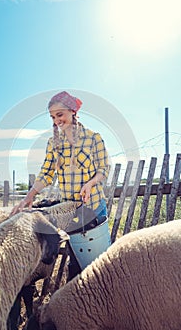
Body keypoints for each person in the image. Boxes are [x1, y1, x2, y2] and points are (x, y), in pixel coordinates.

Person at [11, 91, 111, 278]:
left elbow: (104, 169)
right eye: (53, 117)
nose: (57, 120)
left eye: (60, 114)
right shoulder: (53, 143)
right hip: (70, 212)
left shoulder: (93, 138)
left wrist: (90, 184)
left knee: (101, 265)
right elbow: (47, 173)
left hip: (93, 207)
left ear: (72, 111)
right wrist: (29, 196)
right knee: (77, 264)